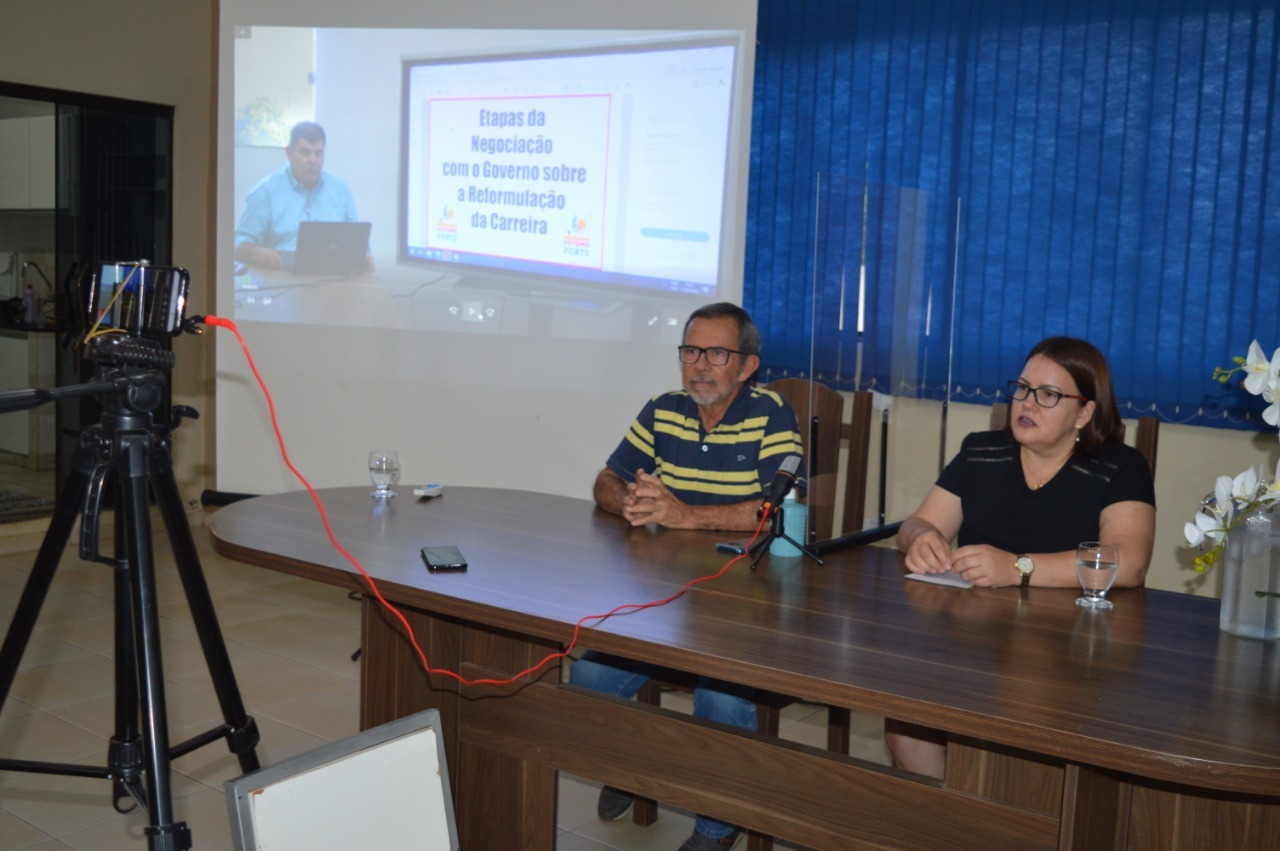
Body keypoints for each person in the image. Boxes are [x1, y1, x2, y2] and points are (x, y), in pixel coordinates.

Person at [572, 301, 804, 851]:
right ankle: (634, 771)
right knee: (588, 681)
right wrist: (629, 502)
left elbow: (774, 509)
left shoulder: (772, 414)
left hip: (745, 603)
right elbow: (606, 478)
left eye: (717, 353)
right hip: (664, 599)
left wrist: (684, 516)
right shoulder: (665, 409)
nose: (700, 365)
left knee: (720, 702)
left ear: (747, 366)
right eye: (691, 351)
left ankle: (717, 827)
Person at [889, 336, 1156, 779]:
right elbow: (916, 524)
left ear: (1085, 412)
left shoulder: (1119, 466)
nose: (1027, 403)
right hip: (972, 640)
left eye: (1048, 395)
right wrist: (921, 538)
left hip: (1067, 651)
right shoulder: (981, 451)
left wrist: (1017, 567)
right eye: (1022, 388)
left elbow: (1128, 563)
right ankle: (949, 824)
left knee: (1021, 732)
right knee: (906, 723)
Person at [233, 121, 365, 271]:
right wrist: (256, 253)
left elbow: (357, 239)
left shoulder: (341, 190)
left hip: (332, 277)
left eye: (318, 153)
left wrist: (365, 255)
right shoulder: (265, 192)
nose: (313, 160)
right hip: (281, 277)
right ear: (289, 153)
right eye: (305, 152)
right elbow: (238, 244)